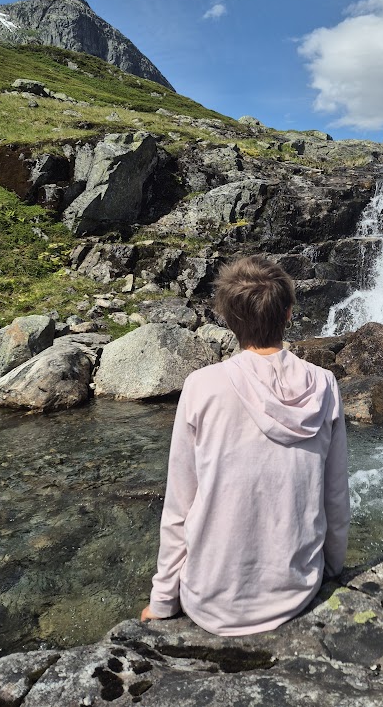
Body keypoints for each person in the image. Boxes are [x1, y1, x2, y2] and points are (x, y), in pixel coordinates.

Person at [141, 254, 350, 635]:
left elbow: (179, 506)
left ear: (227, 319)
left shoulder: (201, 386)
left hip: (210, 602)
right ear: (288, 314)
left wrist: (163, 601)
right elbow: (335, 497)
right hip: (297, 592)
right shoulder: (325, 385)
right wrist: (332, 571)